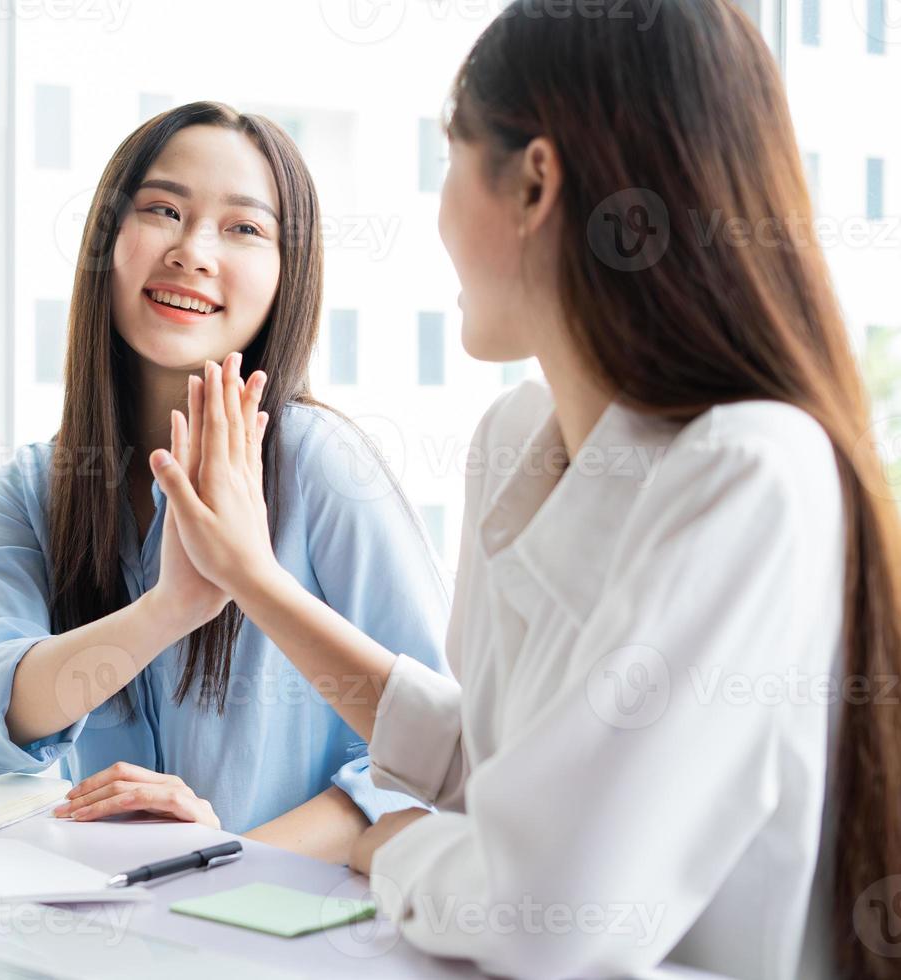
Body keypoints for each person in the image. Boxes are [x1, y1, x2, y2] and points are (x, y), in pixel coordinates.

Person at [146, 2, 901, 977]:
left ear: (535, 180)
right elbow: (493, 766)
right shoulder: (514, 439)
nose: (438, 213)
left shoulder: (753, 471)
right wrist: (249, 575)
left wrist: (391, 844)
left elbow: (548, 906)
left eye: (448, 161)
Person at [0, 102, 449, 861]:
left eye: (244, 227)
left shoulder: (322, 465)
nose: (193, 250)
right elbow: (5, 713)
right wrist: (173, 606)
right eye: (162, 209)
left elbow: (434, 759)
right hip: (120, 918)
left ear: (288, 274)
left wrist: (219, 859)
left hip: (283, 930)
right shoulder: (33, 488)